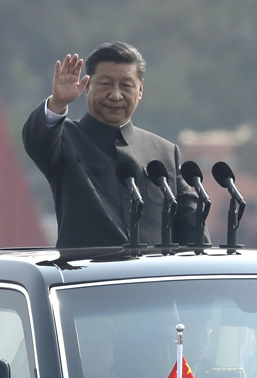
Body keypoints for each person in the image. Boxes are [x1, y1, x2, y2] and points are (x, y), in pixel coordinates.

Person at [22, 42, 204, 248]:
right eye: (106, 84)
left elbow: (191, 228)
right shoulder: (66, 138)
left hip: (153, 278)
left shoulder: (164, 152)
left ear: (140, 90)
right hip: (87, 277)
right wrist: (57, 103)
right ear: (87, 87)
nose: (116, 95)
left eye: (126, 86)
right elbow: (36, 140)